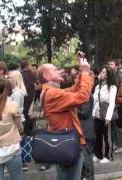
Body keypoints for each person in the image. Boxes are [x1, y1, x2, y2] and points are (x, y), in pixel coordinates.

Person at [37, 52, 94, 180]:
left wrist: (82, 72)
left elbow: (73, 90)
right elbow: (82, 97)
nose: (60, 71)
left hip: (66, 143)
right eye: (55, 70)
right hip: (69, 144)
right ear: (46, 75)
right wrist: (85, 73)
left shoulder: (51, 91)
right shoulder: (52, 94)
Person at [0, 79, 23, 180]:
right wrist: (22, 132)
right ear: (9, 90)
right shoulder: (12, 105)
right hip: (11, 147)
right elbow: (19, 125)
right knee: (16, 176)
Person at [92, 66, 117, 163]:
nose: (100, 74)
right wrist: (93, 113)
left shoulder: (112, 87)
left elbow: (112, 103)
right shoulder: (98, 86)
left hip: (106, 114)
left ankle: (108, 156)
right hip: (97, 114)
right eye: (101, 72)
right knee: (97, 135)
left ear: (107, 75)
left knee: (107, 136)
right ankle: (98, 155)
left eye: (103, 72)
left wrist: (108, 117)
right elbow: (95, 100)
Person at [8, 70, 29, 171]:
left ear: (16, 79)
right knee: (18, 143)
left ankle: (22, 164)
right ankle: (22, 163)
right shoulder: (17, 92)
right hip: (19, 120)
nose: (8, 79)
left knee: (17, 144)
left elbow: (15, 111)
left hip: (18, 121)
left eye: (10, 78)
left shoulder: (16, 93)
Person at [107, 59, 122, 154]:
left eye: (111, 64)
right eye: (108, 64)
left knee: (118, 125)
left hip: (118, 105)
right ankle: (115, 143)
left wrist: (118, 102)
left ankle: (121, 145)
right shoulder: (107, 76)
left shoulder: (121, 77)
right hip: (109, 104)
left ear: (117, 66)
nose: (109, 65)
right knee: (112, 125)